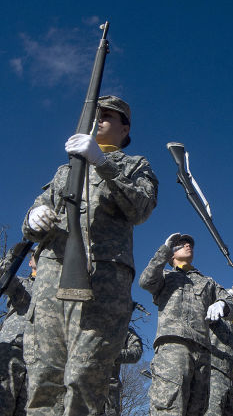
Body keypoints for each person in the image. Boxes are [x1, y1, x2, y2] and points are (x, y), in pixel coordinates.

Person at [21, 96, 158, 415]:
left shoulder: (134, 165)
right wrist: (33, 218)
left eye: (108, 116)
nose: (99, 120)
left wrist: (102, 162)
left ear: (125, 129)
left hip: (102, 285)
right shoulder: (63, 171)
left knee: (87, 378)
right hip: (51, 282)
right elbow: (38, 213)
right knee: (44, 380)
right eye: (94, 114)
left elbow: (141, 208)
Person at [139, 233, 233, 416]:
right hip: (173, 347)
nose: (187, 245)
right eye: (181, 244)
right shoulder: (165, 276)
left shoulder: (207, 282)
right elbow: (145, 282)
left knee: (198, 409)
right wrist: (163, 250)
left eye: (190, 243)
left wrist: (223, 304)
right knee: (168, 407)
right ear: (172, 254)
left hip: (203, 352)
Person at [0, 251, 36, 416]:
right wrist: (13, 254)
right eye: (37, 254)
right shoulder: (20, 282)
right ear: (30, 262)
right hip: (11, 350)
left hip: (35, 358)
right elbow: (4, 274)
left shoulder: (54, 292)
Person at [104, 325, 143, 416]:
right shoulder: (80, 320)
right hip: (76, 389)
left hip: (108, 393)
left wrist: (108, 354)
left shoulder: (121, 327)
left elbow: (136, 352)